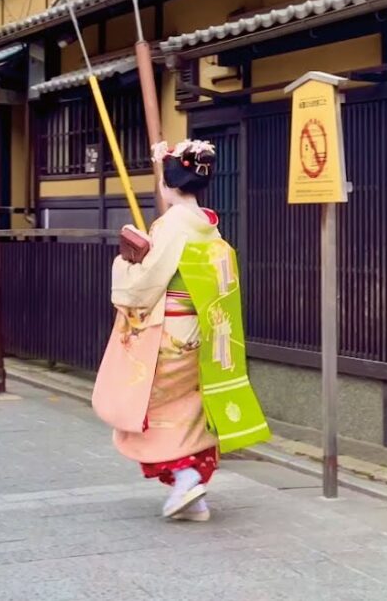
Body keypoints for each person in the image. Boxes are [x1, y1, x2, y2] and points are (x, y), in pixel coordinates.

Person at [95, 140, 270, 521]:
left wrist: (125, 264)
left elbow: (144, 285)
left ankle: (187, 476)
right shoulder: (209, 226)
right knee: (189, 405)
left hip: (167, 330)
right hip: (201, 330)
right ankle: (192, 495)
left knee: (150, 405)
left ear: (169, 183)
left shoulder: (172, 226)